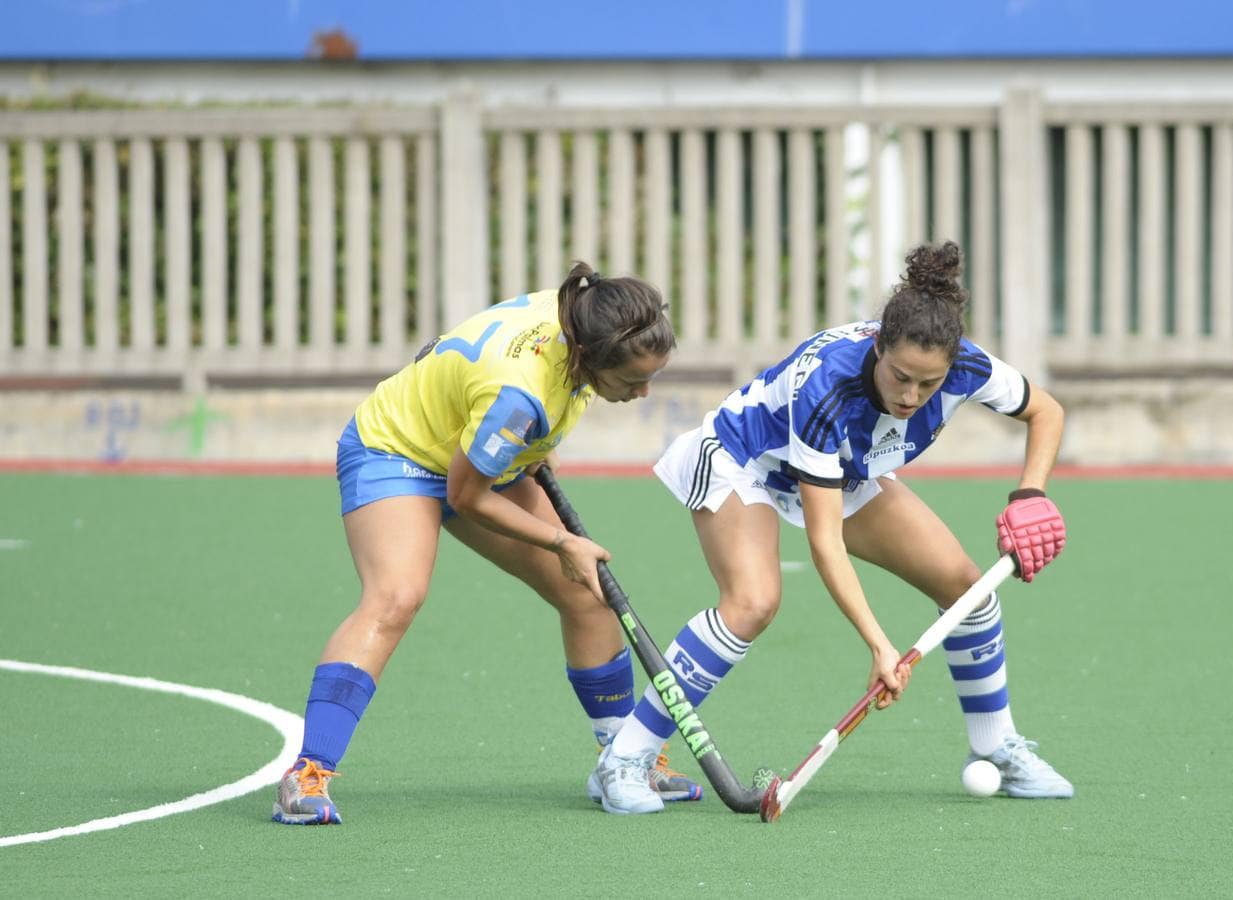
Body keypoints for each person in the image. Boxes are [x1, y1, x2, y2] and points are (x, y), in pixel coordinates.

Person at [592, 240, 1072, 815]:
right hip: (745, 457)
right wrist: (878, 643)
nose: (910, 397)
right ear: (877, 347)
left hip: (842, 467)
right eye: (900, 377)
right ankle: (625, 759)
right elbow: (826, 540)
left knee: (968, 588)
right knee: (752, 602)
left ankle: (998, 748)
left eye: (929, 384)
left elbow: (1047, 411)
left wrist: (1030, 493)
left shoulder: (966, 366)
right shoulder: (828, 387)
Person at [272, 262, 702, 825]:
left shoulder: (585, 311)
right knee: (396, 597)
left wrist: (521, 445)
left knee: (587, 594)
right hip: (396, 452)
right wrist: (560, 540)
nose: (644, 392)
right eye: (631, 382)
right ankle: (307, 775)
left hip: (475, 451)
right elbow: (469, 496)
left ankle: (622, 759)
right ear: (587, 357)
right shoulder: (520, 393)